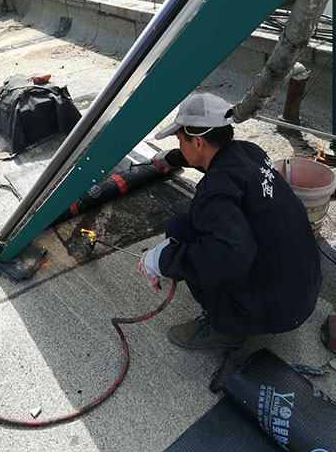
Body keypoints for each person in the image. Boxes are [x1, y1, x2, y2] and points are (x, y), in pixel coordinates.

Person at [138, 92, 321, 350]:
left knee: (185, 236)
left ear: (198, 142)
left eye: (180, 140)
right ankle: (239, 309)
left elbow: (228, 256)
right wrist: (172, 158)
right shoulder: (250, 152)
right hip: (303, 286)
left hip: (278, 311)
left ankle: (225, 328)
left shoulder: (215, 191)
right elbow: (216, 160)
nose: (180, 145)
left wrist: (161, 260)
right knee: (181, 227)